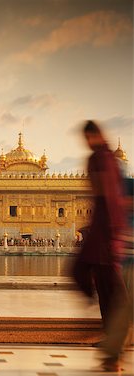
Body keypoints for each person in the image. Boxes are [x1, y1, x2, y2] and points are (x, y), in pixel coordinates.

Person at [73, 121, 130, 372]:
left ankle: (116, 342)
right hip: (105, 231)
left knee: (111, 290)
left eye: (87, 137)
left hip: (105, 233)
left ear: (93, 135)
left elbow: (108, 196)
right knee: (108, 288)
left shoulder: (102, 159)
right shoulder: (103, 158)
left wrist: (106, 231)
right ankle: (113, 338)